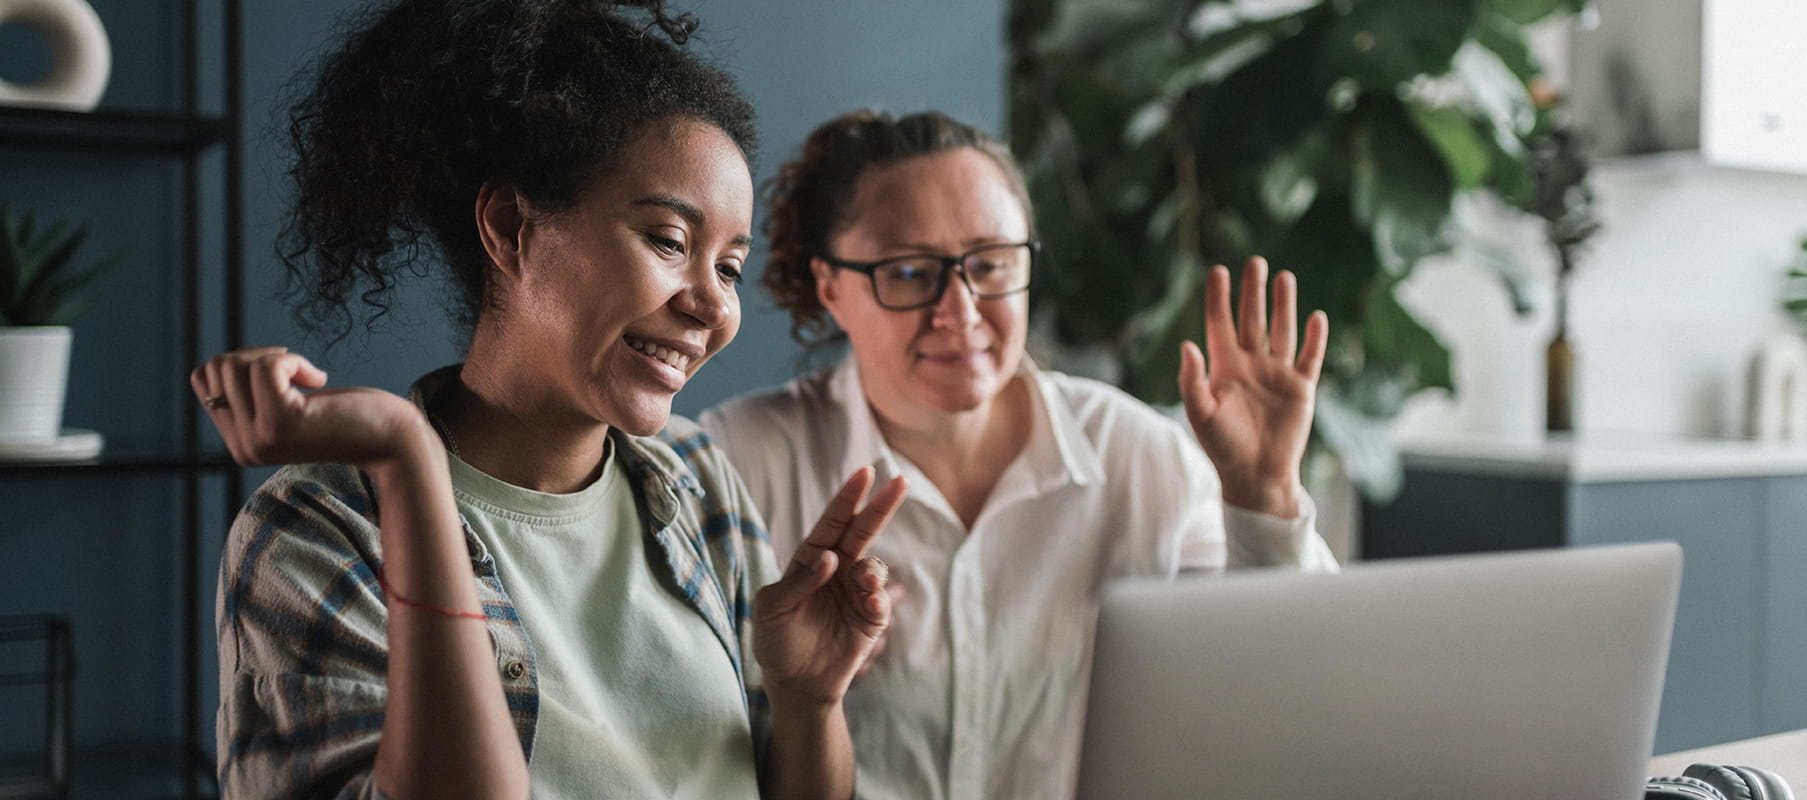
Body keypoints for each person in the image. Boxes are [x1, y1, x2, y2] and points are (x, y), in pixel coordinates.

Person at [190, 2, 904, 798]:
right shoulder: (319, 533)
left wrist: (810, 702)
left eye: (730, 267)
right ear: (510, 226)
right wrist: (406, 459)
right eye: (670, 240)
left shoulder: (697, 479)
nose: (711, 306)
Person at [699, 110, 1341, 799]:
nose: (962, 311)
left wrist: (1265, 493)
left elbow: (1282, 695)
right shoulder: (740, 460)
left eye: (991, 264)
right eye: (911, 272)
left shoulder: (1135, 455)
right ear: (831, 286)